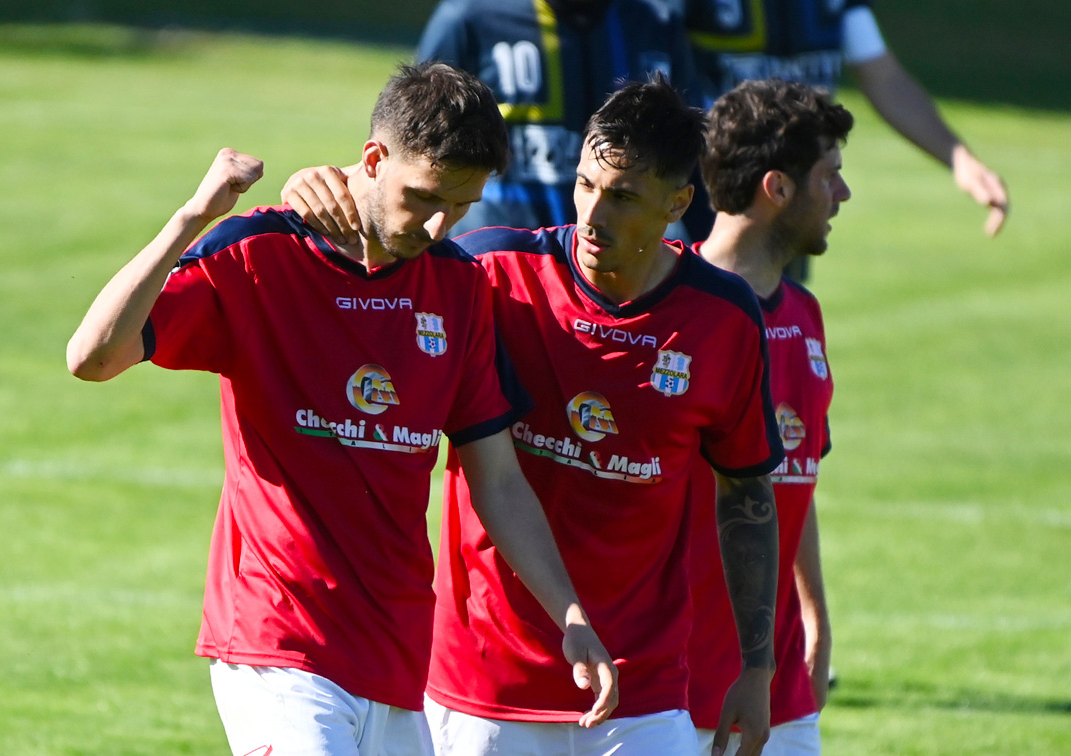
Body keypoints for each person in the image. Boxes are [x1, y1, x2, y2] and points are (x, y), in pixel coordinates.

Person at [66, 62, 618, 756]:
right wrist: (193, 216)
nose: (441, 223)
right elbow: (92, 356)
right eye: (424, 197)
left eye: (464, 205)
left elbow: (499, 480)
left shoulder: (458, 287)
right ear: (373, 159)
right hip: (279, 642)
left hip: (394, 654)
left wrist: (569, 613)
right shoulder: (259, 254)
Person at [282, 74, 783, 756]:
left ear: (679, 202)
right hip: (482, 685)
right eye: (584, 185)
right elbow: (380, 241)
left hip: (642, 689)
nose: (593, 214)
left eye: (624, 196)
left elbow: (747, 492)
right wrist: (317, 184)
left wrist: (757, 668)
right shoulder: (491, 273)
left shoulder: (723, 319)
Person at [687, 78, 852, 755]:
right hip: (675, 683)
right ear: (777, 189)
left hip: (778, 681)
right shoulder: (673, 314)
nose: (842, 195)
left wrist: (815, 610)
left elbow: (795, 475)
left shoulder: (805, 315)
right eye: (829, 176)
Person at [683, 0, 1009, 276]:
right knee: (703, 318)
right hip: (706, 194)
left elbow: (883, 76)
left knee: (777, 324)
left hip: (799, 194)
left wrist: (959, 158)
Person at [417, 0, 698, 237]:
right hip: (498, 265)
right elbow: (418, 147)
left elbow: (691, 151)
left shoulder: (656, 22)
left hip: (618, 272)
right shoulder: (470, 17)